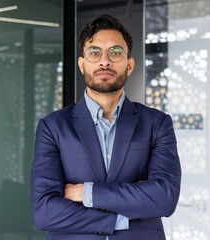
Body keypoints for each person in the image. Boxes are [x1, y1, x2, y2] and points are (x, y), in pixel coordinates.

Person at [30, 14, 181, 240]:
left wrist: (85, 192)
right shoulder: (53, 127)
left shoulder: (157, 123)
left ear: (129, 65)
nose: (104, 61)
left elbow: (165, 198)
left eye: (115, 52)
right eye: (94, 52)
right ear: (82, 64)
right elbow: (44, 212)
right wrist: (119, 218)